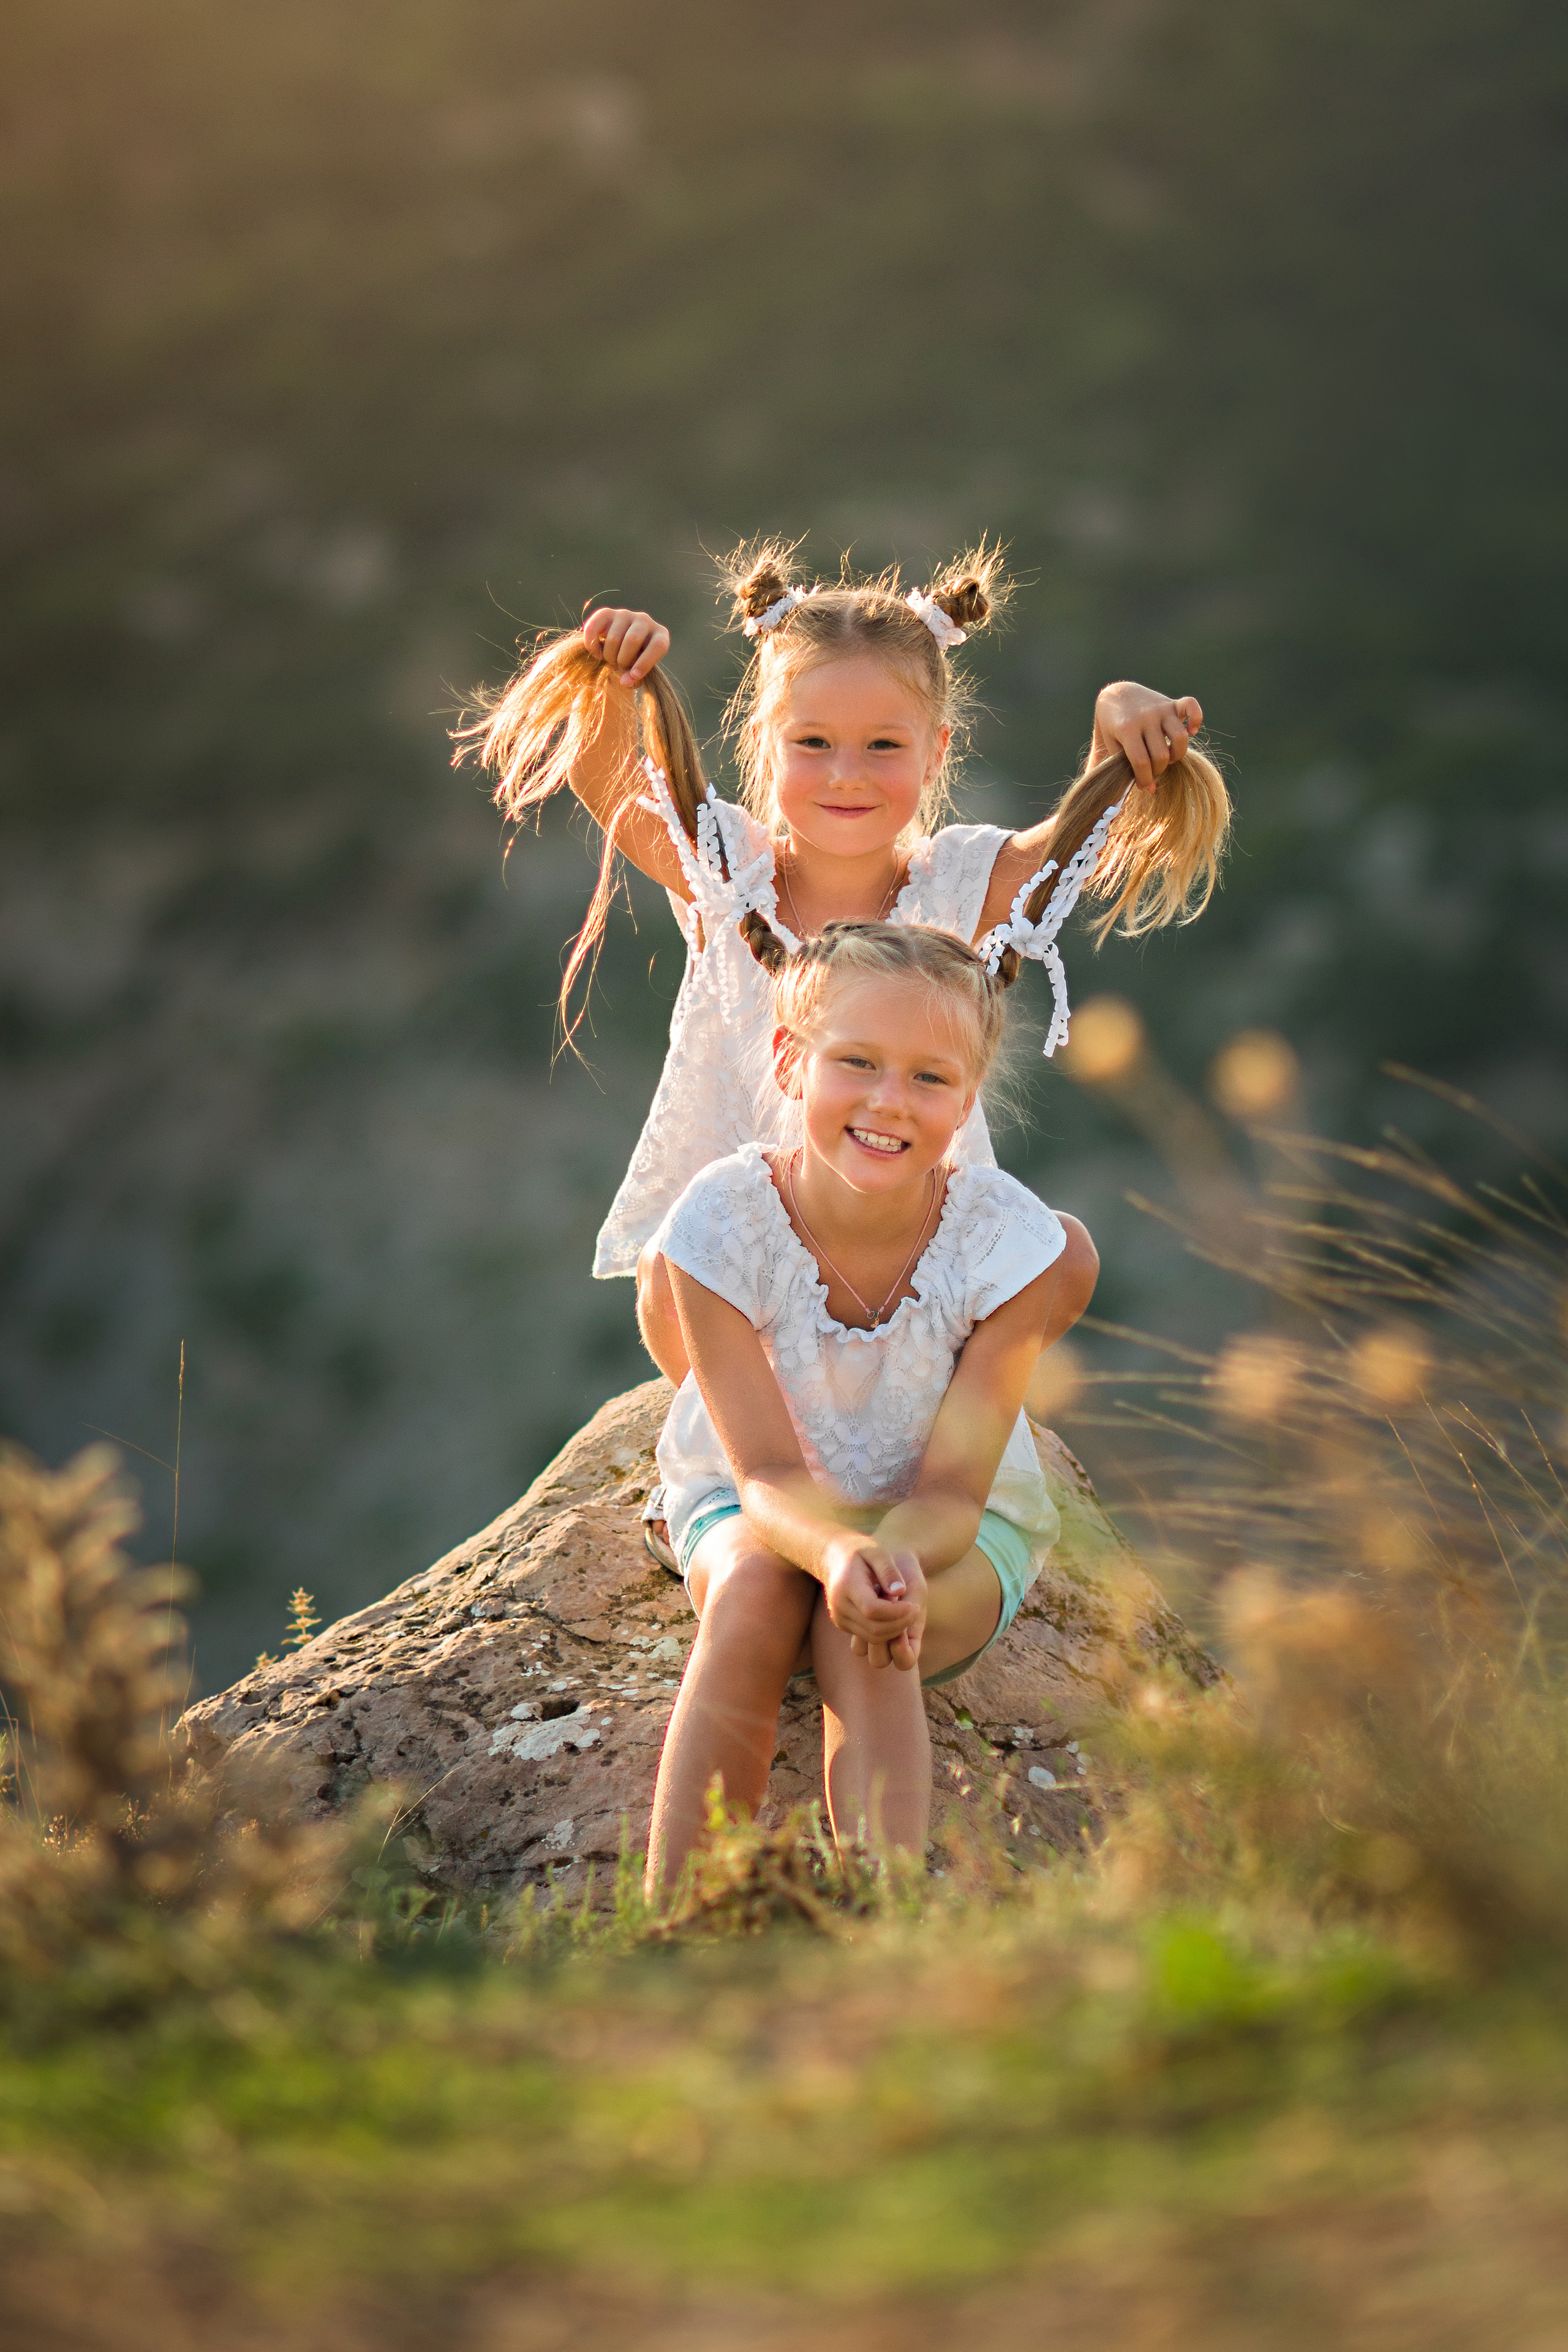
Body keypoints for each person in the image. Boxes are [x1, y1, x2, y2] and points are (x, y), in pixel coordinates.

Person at [458, 543, 1230, 1389]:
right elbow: (607, 777)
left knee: (1061, 1254)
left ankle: (935, 1425)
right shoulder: (729, 871)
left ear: (937, 753)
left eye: (883, 747)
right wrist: (612, 669)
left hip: (910, 1275)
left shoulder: (959, 886)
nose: (846, 775)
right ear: (764, 741)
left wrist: (1120, 709)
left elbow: (1090, 823)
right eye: (815, 742)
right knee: (666, 1274)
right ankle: (758, 1448)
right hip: (745, 1289)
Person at [641, 916, 1099, 1889]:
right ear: (788, 1060)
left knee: (888, 1617)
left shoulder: (1006, 1246)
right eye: (856, 1062)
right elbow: (761, 1471)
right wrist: (832, 1545)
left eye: (931, 1078)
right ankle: (674, 1921)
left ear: (968, 1096)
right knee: (761, 1596)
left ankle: (876, 1916)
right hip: (761, 1502)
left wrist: (882, 1557)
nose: (891, 1102)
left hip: (951, 1526)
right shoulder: (723, 1223)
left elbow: (952, 1491)